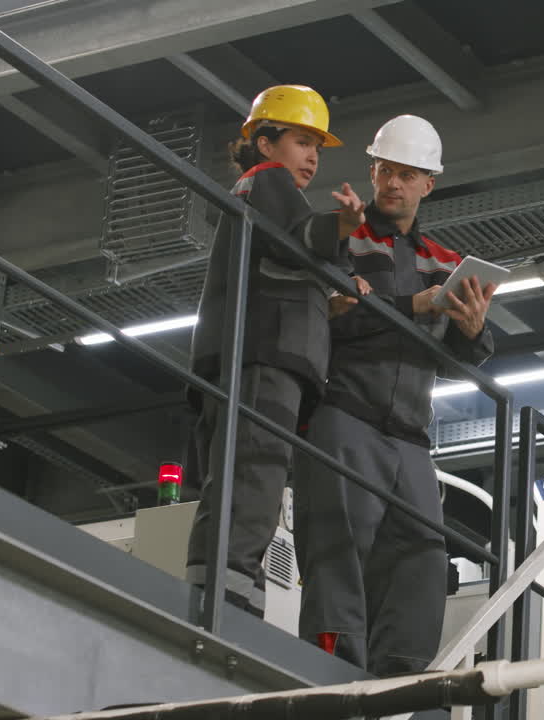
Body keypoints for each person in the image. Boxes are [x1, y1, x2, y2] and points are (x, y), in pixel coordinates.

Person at [294, 114, 496, 676]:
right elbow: (331, 317)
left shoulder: (445, 262)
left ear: (428, 183)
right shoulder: (342, 238)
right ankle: (331, 675)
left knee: (423, 557)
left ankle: (399, 686)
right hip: (346, 413)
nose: (393, 184)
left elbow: (460, 358)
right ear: (373, 171)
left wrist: (472, 331)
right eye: (385, 171)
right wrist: (414, 306)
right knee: (338, 549)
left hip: (410, 437)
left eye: (407, 175)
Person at [185, 85, 369, 618]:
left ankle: (231, 590)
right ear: (265, 143)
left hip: (261, 354)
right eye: (301, 141)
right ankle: (226, 599)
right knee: (254, 472)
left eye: (317, 146)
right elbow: (301, 237)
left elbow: (285, 258)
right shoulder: (268, 180)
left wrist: (333, 295)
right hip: (264, 356)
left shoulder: (266, 194)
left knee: (248, 474)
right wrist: (343, 227)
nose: (312, 156)